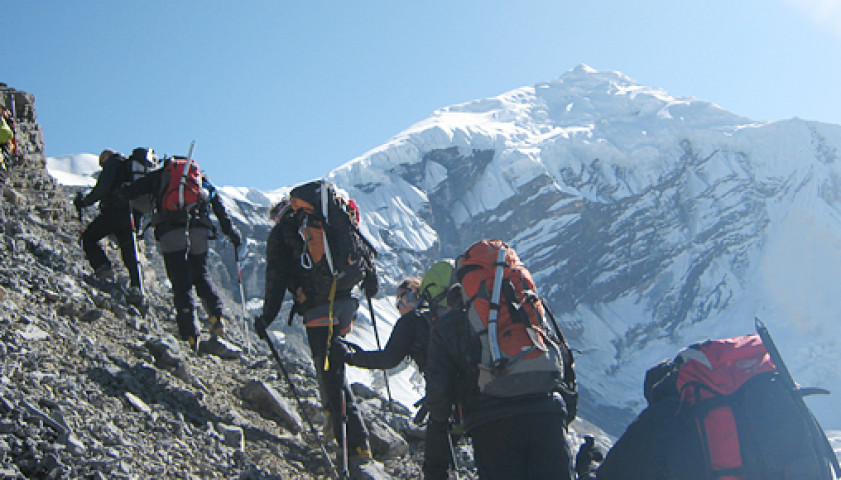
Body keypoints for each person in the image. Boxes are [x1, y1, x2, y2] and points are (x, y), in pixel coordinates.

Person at [254, 183, 381, 478]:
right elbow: (358, 246)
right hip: (347, 300)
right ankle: (333, 421)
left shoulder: (283, 231)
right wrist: (370, 281)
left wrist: (267, 317)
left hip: (317, 307)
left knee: (330, 371)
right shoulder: (331, 216)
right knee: (332, 364)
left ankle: (356, 446)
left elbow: (275, 277)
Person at [425, 279, 575, 480]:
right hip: (547, 414)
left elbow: (439, 397)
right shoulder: (526, 308)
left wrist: (437, 461)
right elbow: (563, 362)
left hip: (491, 424)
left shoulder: (450, 324)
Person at [121, 155, 241, 352]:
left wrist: (122, 190)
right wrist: (230, 232)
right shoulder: (201, 178)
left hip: (171, 230)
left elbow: (134, 191)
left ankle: (190, 335)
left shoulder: (162, 175)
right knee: (201, 274)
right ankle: (216, 316)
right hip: (198, 230)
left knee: (181, 282)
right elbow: (217, 204)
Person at [73, 149, 144, 306]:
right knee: (129, 251)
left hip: (113, 212)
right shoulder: (128, 169)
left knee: (89, 237)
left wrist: (85, 202)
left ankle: (104, 270)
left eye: (101, 160)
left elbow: (102, 188)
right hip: (130, 215)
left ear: (105, 157)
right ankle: (137, 288)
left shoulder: (113, 165)